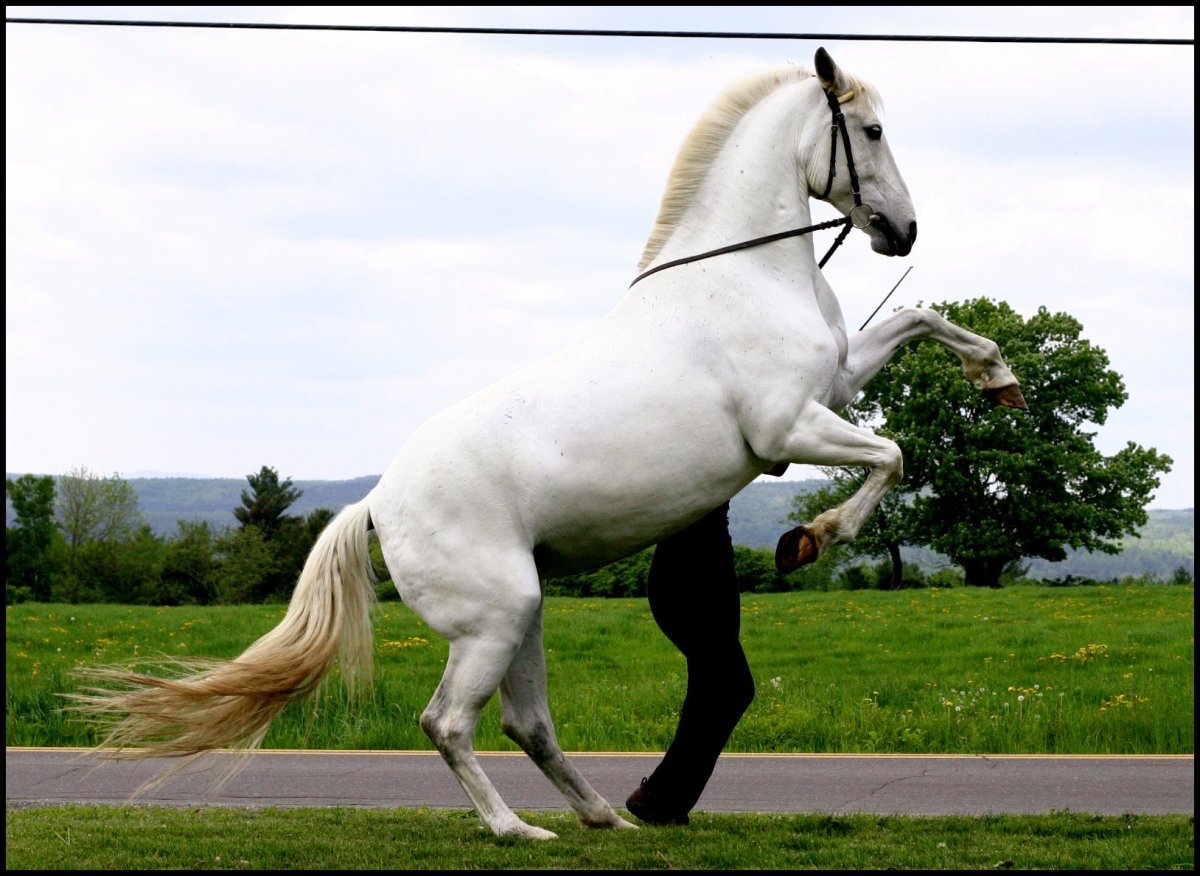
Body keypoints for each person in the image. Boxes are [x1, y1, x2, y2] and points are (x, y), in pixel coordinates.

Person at [623, 499, 757, 826]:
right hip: (688, 571)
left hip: (711, 567)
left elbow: (775, 463)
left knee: (713, 687)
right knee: (732, 687)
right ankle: (657, 797)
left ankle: (665, 802)